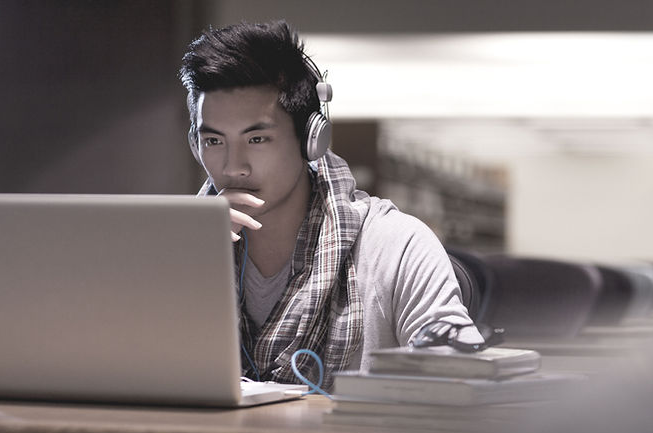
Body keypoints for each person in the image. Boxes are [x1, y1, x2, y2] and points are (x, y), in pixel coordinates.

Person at [178, 20, 477, 389]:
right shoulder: (178, 249)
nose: (233, 166)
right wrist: (188, 262)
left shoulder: (396, 246)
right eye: (214, 141)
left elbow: (461, 381)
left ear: (311, 140)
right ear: (195, 144)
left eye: (257, 139)